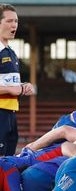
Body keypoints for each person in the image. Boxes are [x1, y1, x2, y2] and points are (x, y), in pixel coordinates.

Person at [0, 3, 35, 156]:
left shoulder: (11, 53)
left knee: (8, 158)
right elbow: (7, 87)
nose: (14, 25)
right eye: (9, 21)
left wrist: (23, 86)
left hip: (11, 112)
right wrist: (9, 89)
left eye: (16, 21)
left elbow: (7, 82)